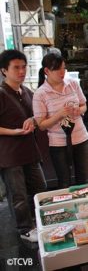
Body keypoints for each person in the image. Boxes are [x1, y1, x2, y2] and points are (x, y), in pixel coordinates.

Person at [0, 49, 46, 242]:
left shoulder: (26, 91)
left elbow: (36, 115)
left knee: (39, 188)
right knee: (18, 194)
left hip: (29, 151)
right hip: (10, 154)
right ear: (4, 70)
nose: (21, 71)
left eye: (24, 67)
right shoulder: (1, 94)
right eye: (16, 67)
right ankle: (25, 229)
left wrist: (33, 121)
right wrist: (14, 132)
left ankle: (39, 223)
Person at [33, 53, 88, 189]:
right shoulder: (40, 94)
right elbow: (41, 125)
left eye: (64, 68)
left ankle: (86, 208)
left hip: (81, 138)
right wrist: (60, 114)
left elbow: (84, 105)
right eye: (57, 69)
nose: (62, 72)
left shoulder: (73, 84)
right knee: (64, 182)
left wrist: (79, 111)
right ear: (46, 71)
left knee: (84, 180)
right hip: (58, 144)